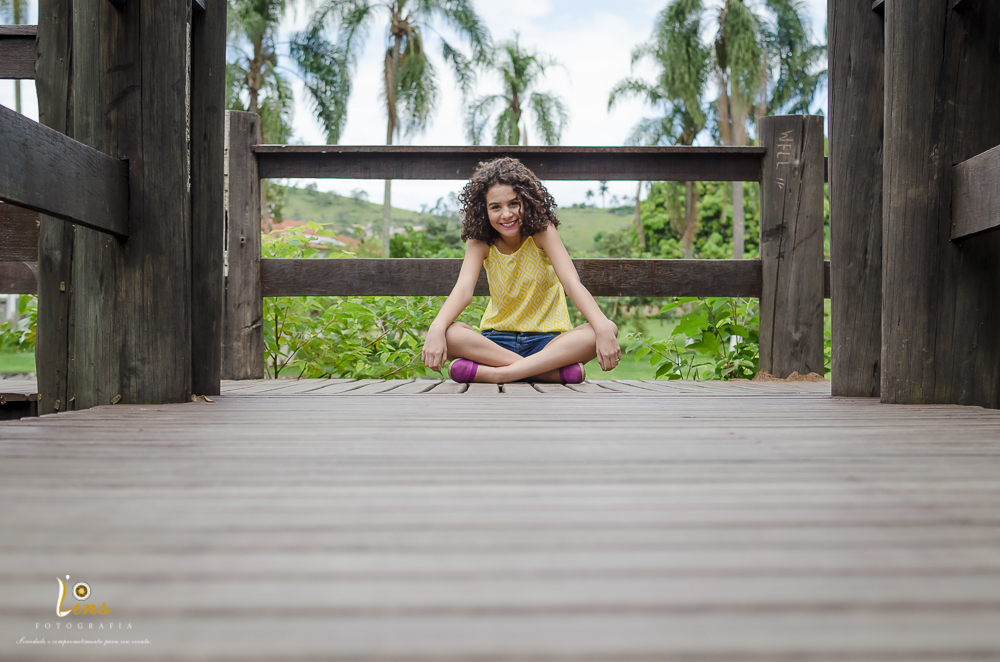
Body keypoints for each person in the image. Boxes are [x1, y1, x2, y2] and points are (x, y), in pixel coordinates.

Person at [421, 157, 620, 384]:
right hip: (496, 342)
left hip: (548, 343)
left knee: (606, 328)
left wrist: (603, 329)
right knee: (450, 333)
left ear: (527, 201)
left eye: (513, 204)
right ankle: (544, 372)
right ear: (483, 210)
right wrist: (436, 328)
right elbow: (464, 289)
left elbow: (571, 283)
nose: (506, 214)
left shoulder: (542, 232)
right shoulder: (480, 241)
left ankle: (500, 374)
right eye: (495, 207)